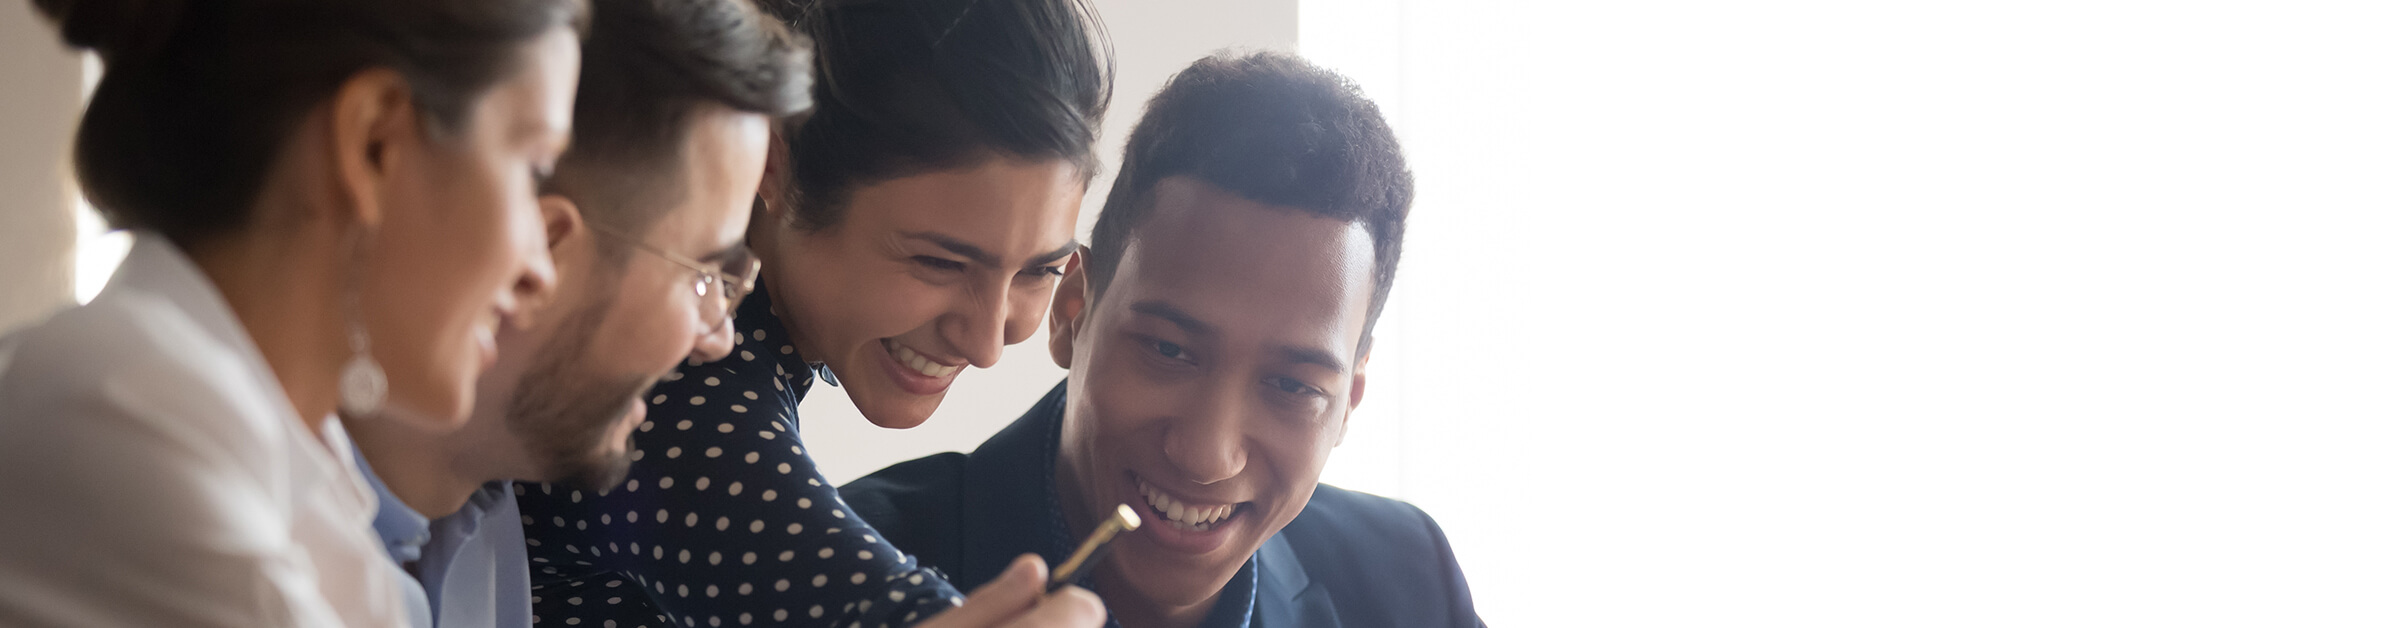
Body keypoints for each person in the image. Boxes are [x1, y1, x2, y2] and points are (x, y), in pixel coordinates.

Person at [512, 0, 1114, 626]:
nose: (988, 342)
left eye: (1038, 270)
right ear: (777, 164)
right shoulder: (675, 382)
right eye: (939, 263)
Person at [841, 52, 1485, 628]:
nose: (1208, 456)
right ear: (1072, 311)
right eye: (1169, 350)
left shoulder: (1408, 574)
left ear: (1351, 399)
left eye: (1292, 385)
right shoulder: (841, 567)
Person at [0, 0, 584, 625]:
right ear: (374, 142)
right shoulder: (127, 412)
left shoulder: (302, 466)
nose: (540, 272)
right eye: (533, 168)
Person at [339, 0, 806, 626]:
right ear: (546, 245)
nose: (717, 336)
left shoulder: (485, 529)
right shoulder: (220, 511)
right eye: (703, 273)